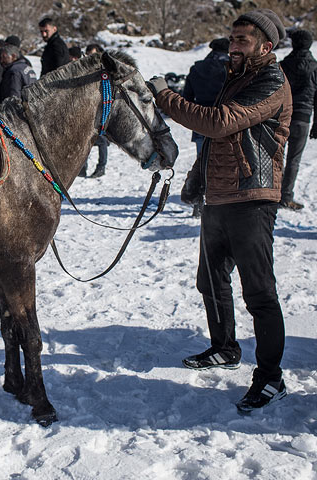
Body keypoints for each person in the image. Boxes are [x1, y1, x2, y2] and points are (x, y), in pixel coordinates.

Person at [148, 9, 291, 412]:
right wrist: (198, 180)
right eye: (231, 40)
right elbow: (219, 141)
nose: (233, 46)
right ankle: (225, 348)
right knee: (210, 282)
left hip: (253, 200)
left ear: (266, 46)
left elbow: (219, 123)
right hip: (220, 199)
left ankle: (270, 378)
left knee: (259, 294)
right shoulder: (238, 78)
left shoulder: (270, 81)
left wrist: (165, 97)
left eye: (242, 40)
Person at [182, 37, 230, 217]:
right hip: (226, 119)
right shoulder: (233, 68)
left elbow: (186, 98)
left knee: (202, 163)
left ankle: (198, 203)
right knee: (225, 164)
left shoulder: (197, 68)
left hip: (201, 120)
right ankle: (219, 203)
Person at [279, 29, 317, 211]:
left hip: (283, 117)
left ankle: (272, 193)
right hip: (303, 117)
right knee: (294, 160)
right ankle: (286, 196)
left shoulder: (283, 64)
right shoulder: (314, 66)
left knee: (276, 156)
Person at [79, 43, 108, 178]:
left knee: (100, 140)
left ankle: (101, 167)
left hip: (101, 110)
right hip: (88, 109)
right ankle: (82, 168)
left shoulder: (104, 71)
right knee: (85, 139)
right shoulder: (87, 70)